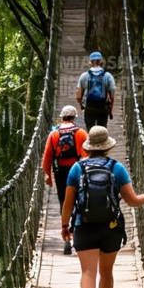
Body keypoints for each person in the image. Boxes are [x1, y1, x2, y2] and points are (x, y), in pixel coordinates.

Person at [60, 125, 144, 288]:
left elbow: (68, 204)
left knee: (88, 271)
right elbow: (132, 201)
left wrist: (64, 226)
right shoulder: (117, 168)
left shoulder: (77, 169)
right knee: (106, 272)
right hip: (110, 228)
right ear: (107, 147)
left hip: (84, 226)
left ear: (87, 147)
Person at [42, 105, 87, 254]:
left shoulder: (54, 134)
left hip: (60, 173)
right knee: (79, 202)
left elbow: (48, 156)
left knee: (64, 203)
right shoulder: (81, 133)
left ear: (61, 117)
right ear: (74, 117)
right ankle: (80, 237)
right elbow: (87, 155)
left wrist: (47, 174)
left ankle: (67, 239)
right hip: (78, 171)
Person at [77, 52, 117, 129]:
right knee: (102, 130)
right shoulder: (108, 76)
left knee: (90, 129)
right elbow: (112, 96)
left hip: (89, 107)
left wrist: (81, 106)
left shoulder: (84, 76)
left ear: (90, 63)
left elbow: (78, 96)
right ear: (101, 62)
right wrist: (110, 110)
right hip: (103, 107)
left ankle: (91, 139)